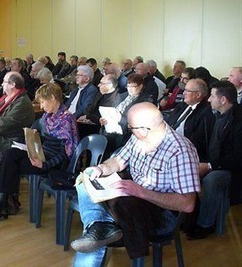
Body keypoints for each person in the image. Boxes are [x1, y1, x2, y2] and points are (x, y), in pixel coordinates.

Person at [71, 102, 200, 265]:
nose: (129, 130)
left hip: (161, 212)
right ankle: (98, 226)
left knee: (96, 239)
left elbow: (187, 204)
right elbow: (119, 161)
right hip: (134, 197)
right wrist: (101, 168)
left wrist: (141, 192)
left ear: (144, 129)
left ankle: (99, 228)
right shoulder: (139, 137)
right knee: (85, 182)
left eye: (131, 127)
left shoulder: (180, 151)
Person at [0, 83, 79, 222]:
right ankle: (1, 203)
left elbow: (65, 154)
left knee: (9, 163)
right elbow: (45, 142)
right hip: (42, 155)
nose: (42, 106)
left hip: (52, 164)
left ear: (52, 98)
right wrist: (34, 138)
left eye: (43, 102)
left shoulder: (66, 120)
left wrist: (43, 165)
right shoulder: (48, 116)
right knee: (10, 154)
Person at [186, 81, 242, 239]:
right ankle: (186, 217)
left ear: (223, 100)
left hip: (232, 169)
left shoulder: (239, 121)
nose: (209, 99)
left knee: (212, 180)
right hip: (216, 162)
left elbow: (238, 158)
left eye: (211, 96)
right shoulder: (215, 114)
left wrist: (209, 166)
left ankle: (205, 224)